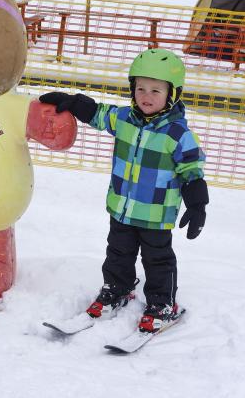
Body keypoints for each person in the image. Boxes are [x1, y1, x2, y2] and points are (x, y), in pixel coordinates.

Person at [40, 48, 208, 333]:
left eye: (156, 90)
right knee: (117, 253)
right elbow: (98, 114)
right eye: (140, 87)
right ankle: (117, 289)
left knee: (158, 260)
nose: (146, 95)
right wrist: (72, 102)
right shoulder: (125, 119)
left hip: (155, 214)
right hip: (121, 207)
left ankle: (162, 305)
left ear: (173, 94)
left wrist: (197, 204)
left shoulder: (178, 135)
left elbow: (191, 171)